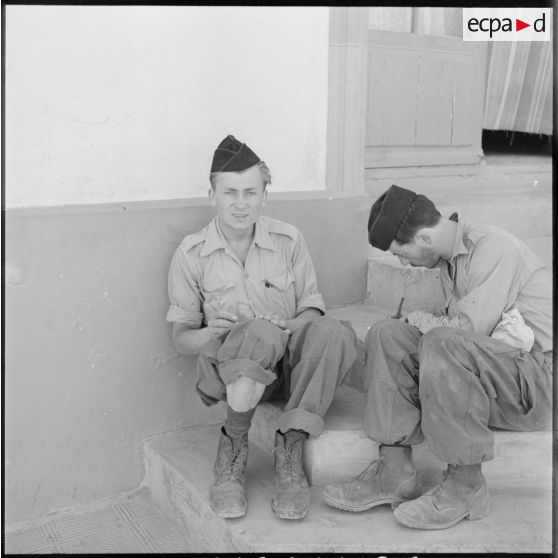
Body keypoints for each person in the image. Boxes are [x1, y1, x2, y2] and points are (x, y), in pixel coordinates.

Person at [322, 184, 552, 530]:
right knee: (389, 333)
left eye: (402, 253)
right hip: (493, 375)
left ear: (426, 239)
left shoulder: (493, 247)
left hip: (535, 384)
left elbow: (468, 331)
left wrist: (424, 321)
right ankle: (393, 472)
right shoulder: (449, 263)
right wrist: (409, 322)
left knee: (443, 341)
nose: (403, 262)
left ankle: (466, 486)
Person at [167, 134, 357, 521]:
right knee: (257, 334)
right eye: (230, 193)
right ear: (212, 195)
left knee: (335, 332)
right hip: (231, 374)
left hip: (287, 371)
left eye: (251, 192)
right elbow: (181, 339)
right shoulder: (191, 254)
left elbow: (312, 313)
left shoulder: (289, 240)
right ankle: (233, 450)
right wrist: (210, 331)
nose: (241, 203)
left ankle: (290, 450)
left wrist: (282, 324)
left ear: (265, 195)